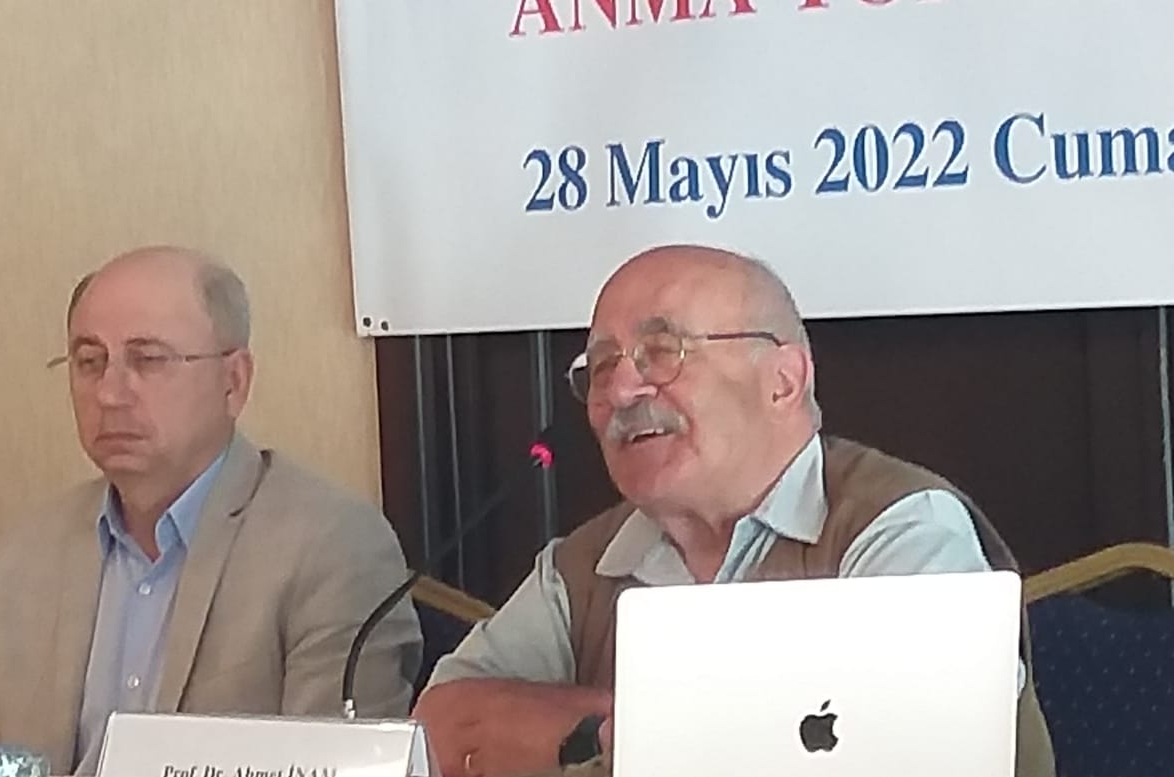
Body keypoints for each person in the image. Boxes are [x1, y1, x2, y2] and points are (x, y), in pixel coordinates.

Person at [411, 244, 1054, 777]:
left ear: (783, 381)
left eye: (662, 352)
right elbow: (436, 731)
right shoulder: (582, 567)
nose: (621, 390)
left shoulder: (900, 526)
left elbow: (915, 757)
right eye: (602, 367)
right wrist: (622, 733)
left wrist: (616, 742)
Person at [0, 245, 422, 774]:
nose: (109, 393)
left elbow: (338, 766)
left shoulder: (333, 550)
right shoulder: (22, 558)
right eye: (89, 362)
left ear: (233, 382)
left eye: (148, 360)